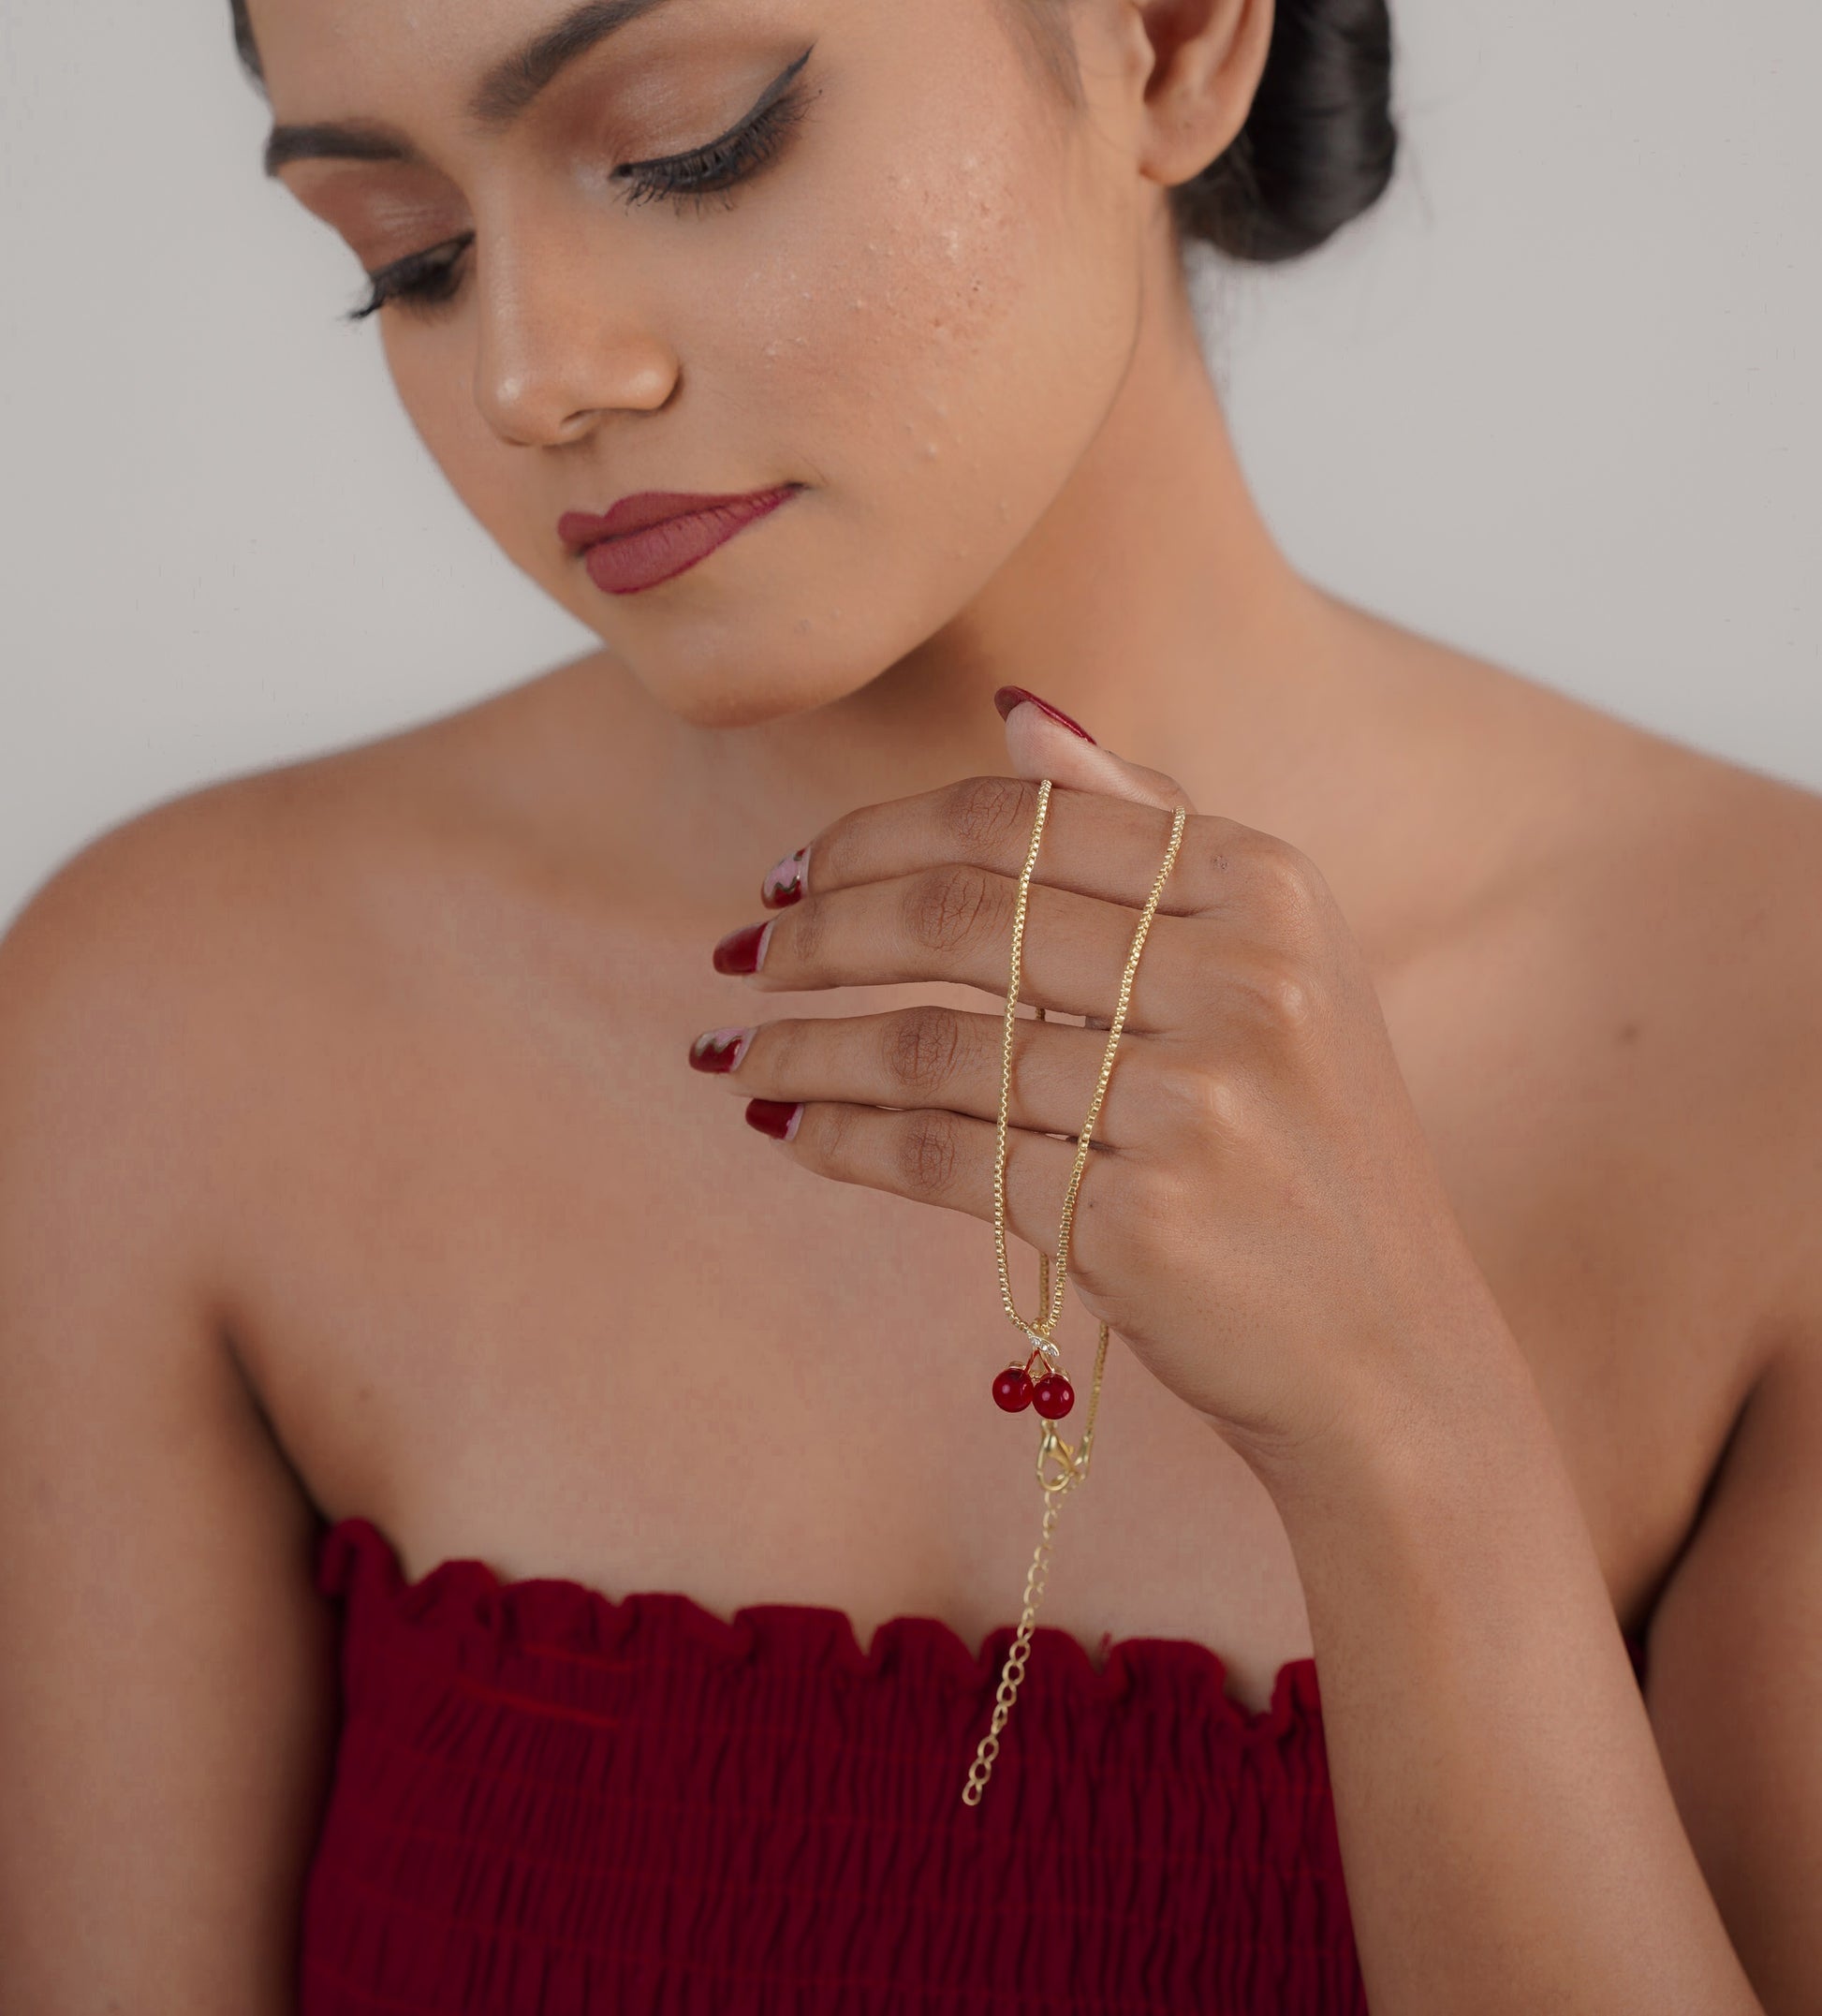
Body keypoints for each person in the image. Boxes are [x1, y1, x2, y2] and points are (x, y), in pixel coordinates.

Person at [1, 0, 1816, 2009]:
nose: (532, 374)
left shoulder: (1769, 1038)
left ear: (1165, 40)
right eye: (406, 255)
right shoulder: (170, 1032)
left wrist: (1412, 1441)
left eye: (689, 146)